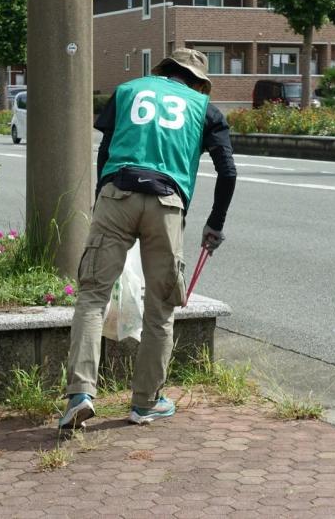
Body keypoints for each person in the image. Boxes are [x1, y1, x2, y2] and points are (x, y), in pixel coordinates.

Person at [59, 48, 237, 430]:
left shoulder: (127, 91)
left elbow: (105, 152)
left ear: (165, 71)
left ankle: (81, 394)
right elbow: (228, 171)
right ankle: (145, 403)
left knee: (92, 296)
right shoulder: (205, 109)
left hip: (116, 193)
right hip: (166, 203)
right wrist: (214, 224)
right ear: (197, 80)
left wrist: (100, 201)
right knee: (162, 308)